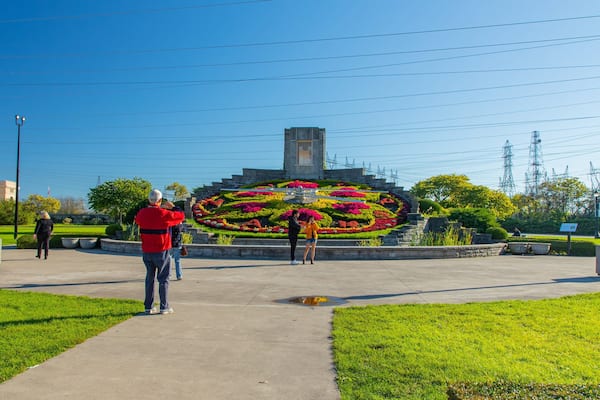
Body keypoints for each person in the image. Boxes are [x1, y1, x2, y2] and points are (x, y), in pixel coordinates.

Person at [135, 189, 185, 315]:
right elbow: (181, 216)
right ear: (160, 201)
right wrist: (173, 207)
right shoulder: (164, 214)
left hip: (147, 250)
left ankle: (148, 306)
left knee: (149, 278)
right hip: (161, 250)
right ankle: (164, 306)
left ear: (149, 200)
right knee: (163, 279)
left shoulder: (142, 213)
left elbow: (138, 221)